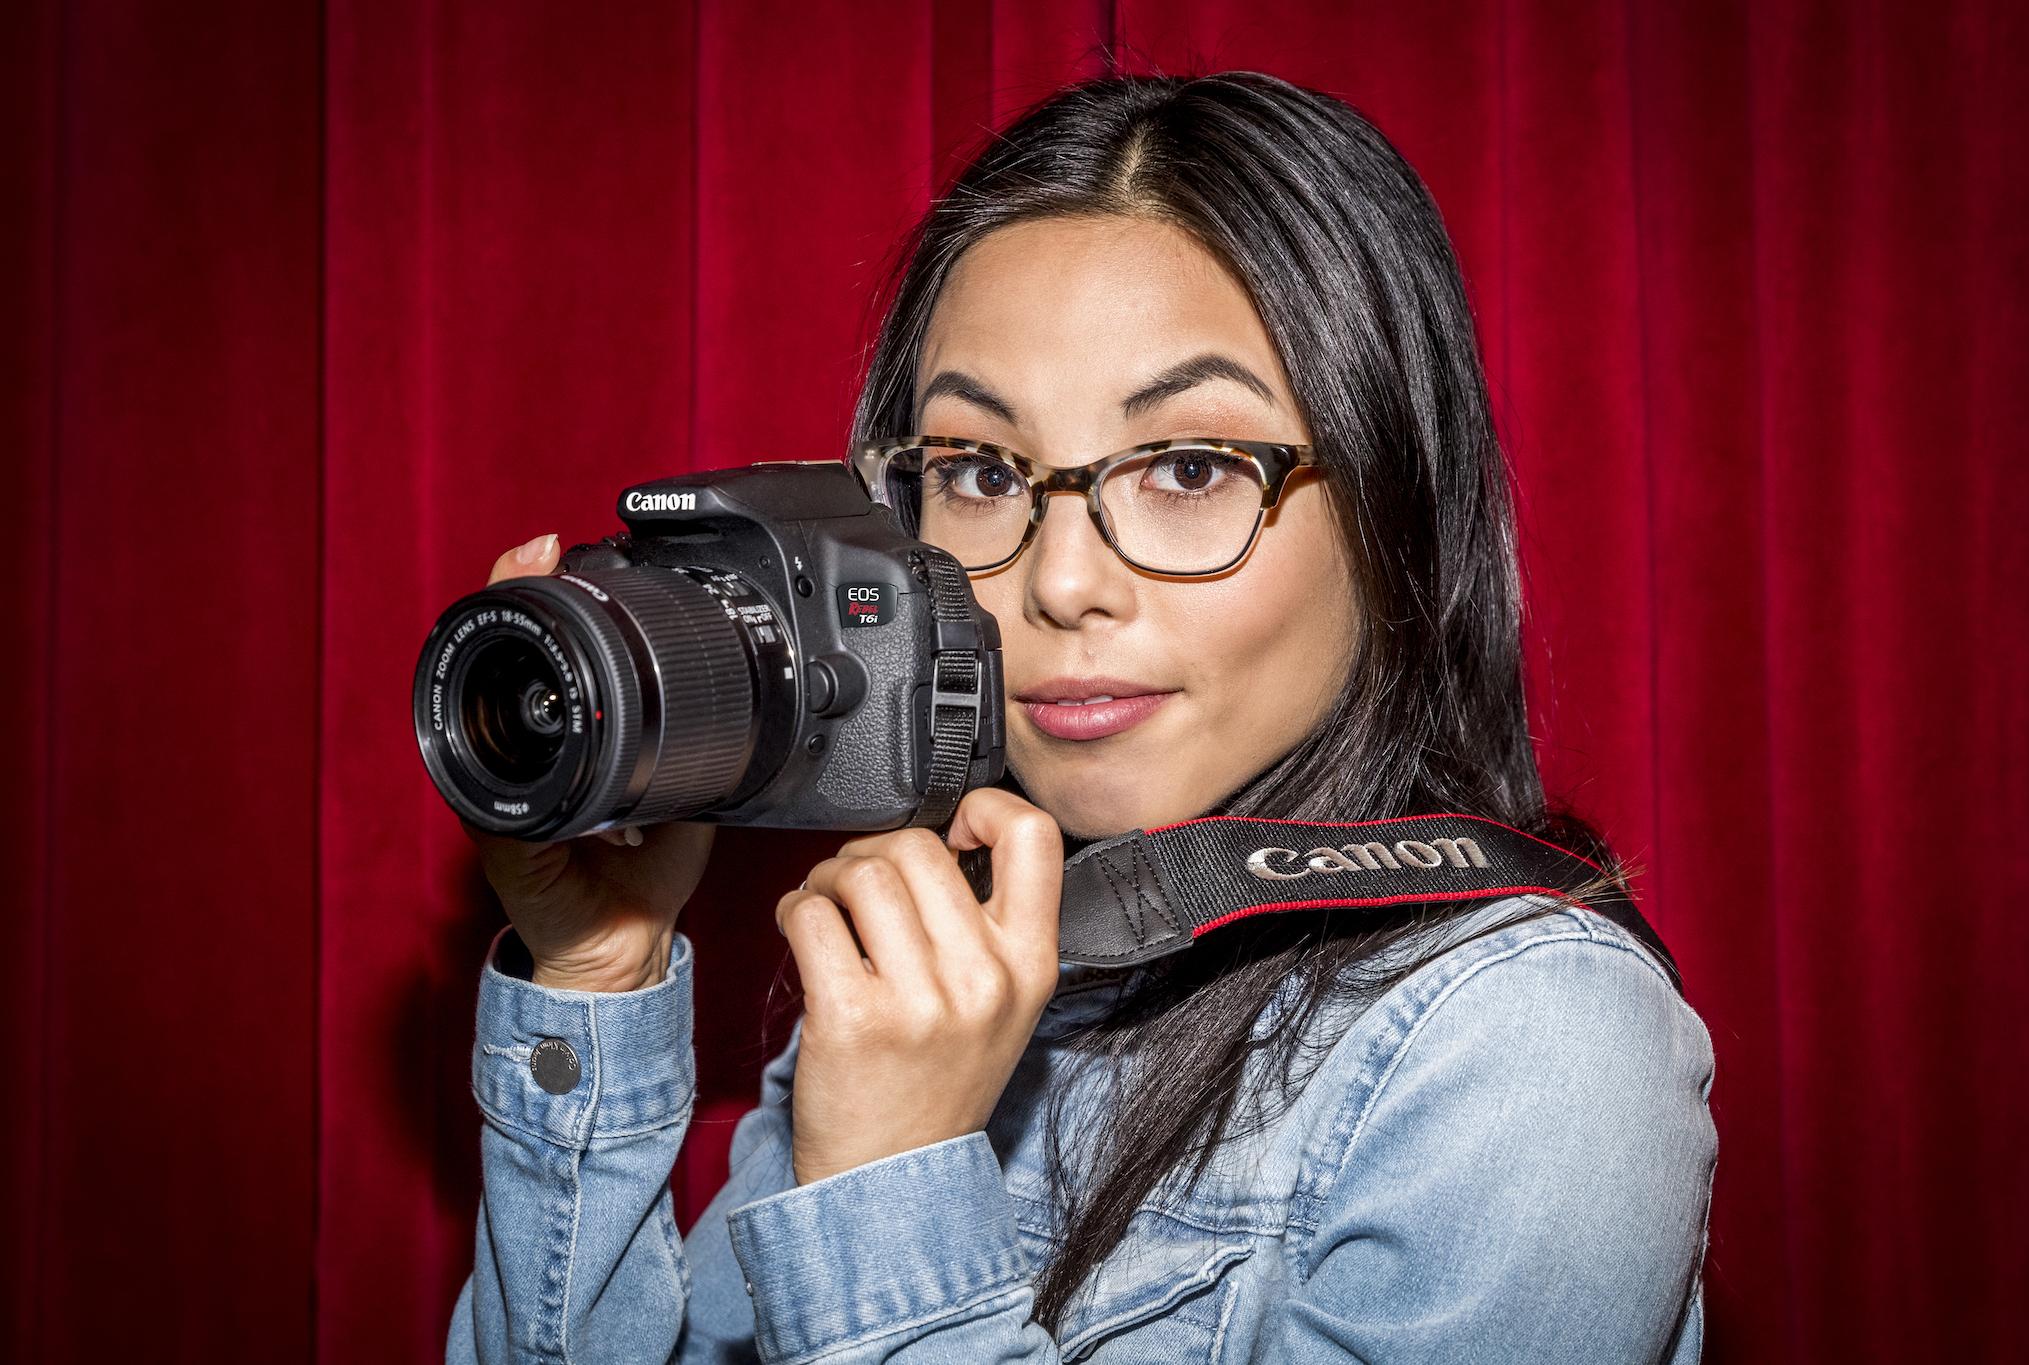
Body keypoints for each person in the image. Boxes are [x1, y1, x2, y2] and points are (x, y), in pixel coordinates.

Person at [445, 69, 1718, 1364]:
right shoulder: (942, 966)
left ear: (1398, 510)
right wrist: (598, 974)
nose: (1058, 581)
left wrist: (890, 1185)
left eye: (1188, 467)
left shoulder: (1535, 1049)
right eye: (984, 473)